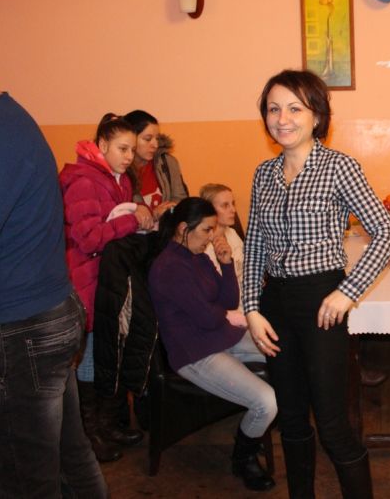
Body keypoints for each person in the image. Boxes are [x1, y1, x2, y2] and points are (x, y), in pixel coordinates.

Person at [243, 70, 390, 499]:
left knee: (331, 424)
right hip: (275, 304)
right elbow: (254, 246)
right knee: (291, 420)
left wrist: (348, 291)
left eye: (295, 108)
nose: (283, 119)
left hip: (321, 301)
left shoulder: (338, 167)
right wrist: (252, 308)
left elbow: (386, 233)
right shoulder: (263, 174)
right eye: (274, 109)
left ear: (317, 116)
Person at [0, 64, 107, 497]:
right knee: (69, 459)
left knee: (25, 479)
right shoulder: (6, 122)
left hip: (20, 331)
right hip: (42, 317)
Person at [149, 197, 277, 491]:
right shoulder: (169, 267)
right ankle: (243, 457)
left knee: (284, 354)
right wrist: (223, 314)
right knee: (266, 401)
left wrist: (226, 263)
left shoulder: (198, 256)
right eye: (206, 230)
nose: (211, 237)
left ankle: (259, 428)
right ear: (183, 228)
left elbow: (228, 302)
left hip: (220, 335)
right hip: (194, 353)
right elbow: (208, 318)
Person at [59, 113, 153, 462]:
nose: (129, 156)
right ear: (102, 145)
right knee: (89, 358)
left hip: (107, 277)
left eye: (132, 149)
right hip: (85, 277)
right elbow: (88, 238)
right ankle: (87, 437)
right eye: (122, 148)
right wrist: (131, 219)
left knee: (108, 351)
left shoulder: (118, 179)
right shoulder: (84, 181)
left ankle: (107, 424)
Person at [124, 109, 189, 219]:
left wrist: (169, 211)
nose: (155, 144)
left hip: (165, 227)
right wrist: (153, 215)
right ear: (130, 138)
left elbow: (182, 200)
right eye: (148, 139)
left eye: (157, 138)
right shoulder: (119, 169)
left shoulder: (167, 162)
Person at [200, 183, 248, 327]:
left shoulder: (232, 233)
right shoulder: (203, 246)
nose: (233, 210)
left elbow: (245, 269)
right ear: (209, 210)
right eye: (225, 205)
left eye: (233, 204)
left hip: (248, 304)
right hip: (227, 314)